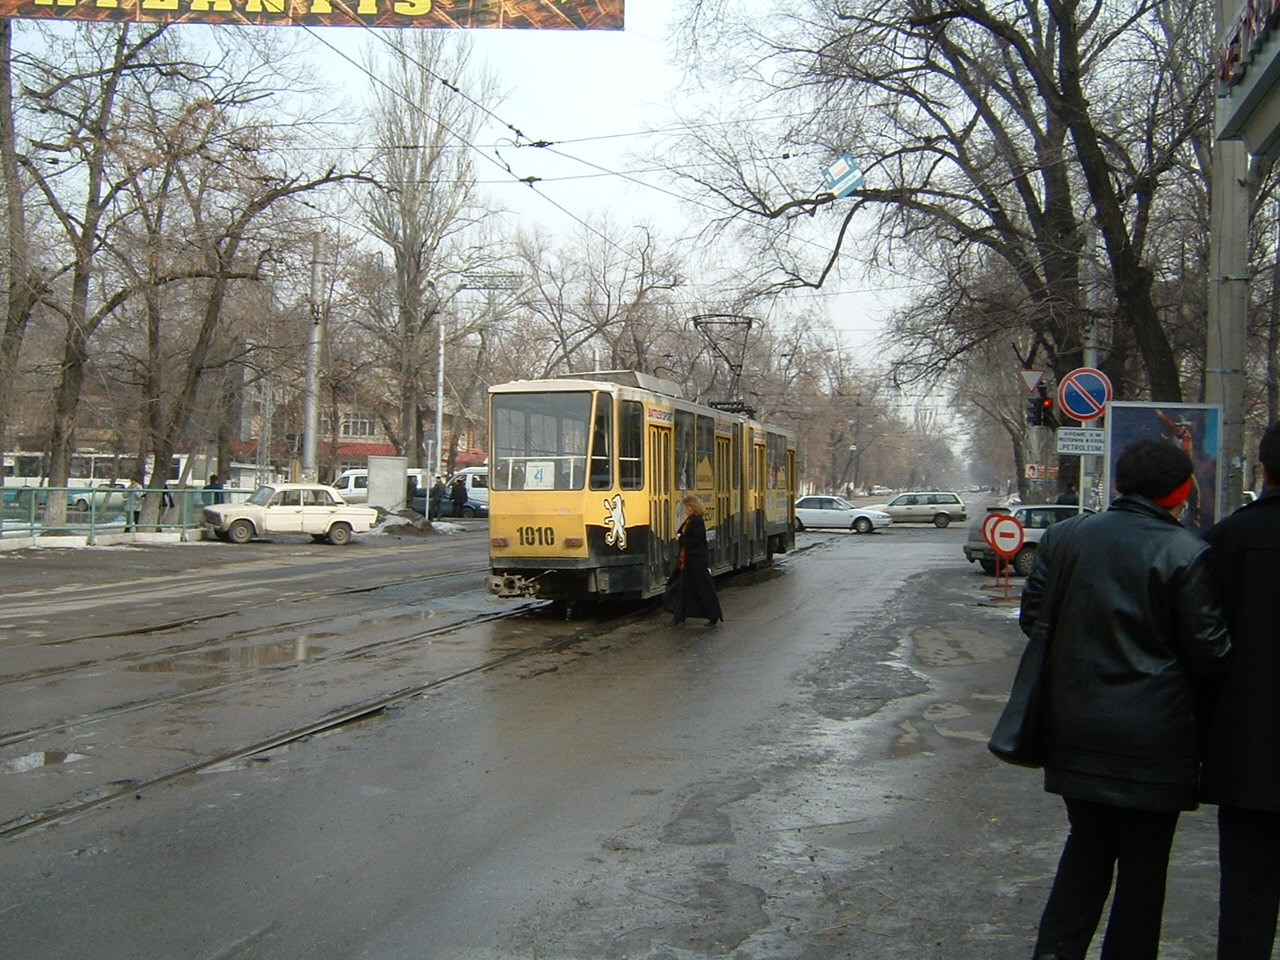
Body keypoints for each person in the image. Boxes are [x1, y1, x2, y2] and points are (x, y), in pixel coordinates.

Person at [1017, 438, 1230, 960]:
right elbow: (1211, 653)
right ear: (1181, 491)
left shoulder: (1064, 538)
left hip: (1074, 729)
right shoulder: (1186, 552)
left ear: (1118, 483)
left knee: (1085, 850)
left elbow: (1033, 619)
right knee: (1144, 871)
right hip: (1156, 743)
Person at [1201, 421, 1280, 960]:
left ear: (1263, 468)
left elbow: (1203, 646)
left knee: (1247, 897)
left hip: (1248, 751)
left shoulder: (1228, 540)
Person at [663, 494, 723, 627]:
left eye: (686, 507)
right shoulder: (691, 520)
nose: (685, 509)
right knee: (682, 589)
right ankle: (679, 617)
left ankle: (713, 615)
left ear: (692, 507)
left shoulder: (696, 521)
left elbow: (695, 540)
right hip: (687, 562)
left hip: (695, 562)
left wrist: (681, 538)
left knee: (703, 589)